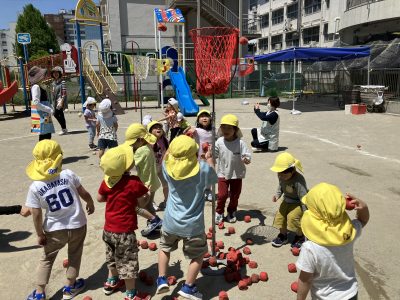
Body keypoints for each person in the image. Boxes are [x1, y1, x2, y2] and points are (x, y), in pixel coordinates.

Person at [25, 140, 95, 300]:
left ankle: (39, 293)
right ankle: (70, 287)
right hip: (78, 225)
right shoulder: (68, 174)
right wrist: (90, 203)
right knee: (75, 254)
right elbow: (83, 193)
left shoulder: (36, 186)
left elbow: (36, 213)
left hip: (55, 230)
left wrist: (40, 233)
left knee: (47, 258)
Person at [156, 135, 217, 300]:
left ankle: (161, 278)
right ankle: (189, 287)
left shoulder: (167, 167)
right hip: (193, 226)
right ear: (195, 153)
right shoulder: (203, 169)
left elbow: (167, 156)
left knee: (164, 248)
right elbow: (213, 179)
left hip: (170, 222)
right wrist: (209, 159)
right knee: (198, 255)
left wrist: (172, 147)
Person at [296, 183, 370, 300]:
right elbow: (363, 220)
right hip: (350, 294)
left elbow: (306, 280)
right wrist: (363, 207)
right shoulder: (349, 234)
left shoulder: (310, 248)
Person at [97, 145, 151, 300]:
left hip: (108, 230)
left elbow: (100, 198)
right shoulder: (134, 182)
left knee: (112, 257)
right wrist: (146, 192)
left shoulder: (107, 181)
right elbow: (141, 203)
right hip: (125, 232)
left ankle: (111, 282)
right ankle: (131, 294)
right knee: (128, 263)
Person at [124, 123, 163, 237]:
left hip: (146, 185)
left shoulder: (141, 151)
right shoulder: (147, 147)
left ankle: (155, 220)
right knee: (149, 206)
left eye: (133, 143)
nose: (132, 146)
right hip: (152, 182)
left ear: (140, 140)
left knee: (135, 206)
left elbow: (130, 164)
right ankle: (155, 225)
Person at [214, 114, 251, 224]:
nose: (226, 130)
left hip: (237, 173)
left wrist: (246, 159)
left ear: (235, 130)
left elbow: (247, 155)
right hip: (223, 173)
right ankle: (219, 212)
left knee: (235, 195)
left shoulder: (240, 143)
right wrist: (207, 155)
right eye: (223, 127)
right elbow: (214, 154)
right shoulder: (219, 141)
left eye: (229, 128)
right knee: (222, 195)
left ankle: (231, 211)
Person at [270, 152, 308, 248]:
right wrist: (277, 195)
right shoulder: (281, 176)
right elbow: (280, 187)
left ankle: (300, 237)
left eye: (284, 174)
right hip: (286, 201)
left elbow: (303, 196)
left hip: (297, 203)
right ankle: (283, 235)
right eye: (279, 174)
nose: (281, 176)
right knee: (280, 217)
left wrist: (306, 212)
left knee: (293, 218)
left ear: (292, 171)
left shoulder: (299, 180)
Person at [28, 66, 55, 141]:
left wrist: (50, 107)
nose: (44, 76)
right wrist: (49, 109)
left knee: (47, 133)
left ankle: (44, 151)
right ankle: (42, 151)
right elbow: (36, 102)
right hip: (42, 114)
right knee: (44, 135)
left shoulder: (39, 85)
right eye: (43, 75)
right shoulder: (36, 87)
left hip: (44, 114)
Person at [147, 120, 169, 210]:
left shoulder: (164, 140)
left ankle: (167, 201)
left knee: (166, 184)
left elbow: (168, 151)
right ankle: (151, 202)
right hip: (152, 167)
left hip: (162, 166)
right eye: (155, 128)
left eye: (159, 127)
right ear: (150, 131)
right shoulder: (148, 141)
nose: (158, 129)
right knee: (153, 186)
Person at [51, 66, 68, 135]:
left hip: (60, 101)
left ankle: (64, 129)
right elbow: (53, 93)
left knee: (55, 114)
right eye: (54, 73)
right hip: (55, 101)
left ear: (59, 73)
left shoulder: (62, 82)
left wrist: (61, 102)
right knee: (61, 114)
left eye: (57, 72)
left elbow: (64, 93)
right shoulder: (53, 83)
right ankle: (64, 129)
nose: (55, 74)